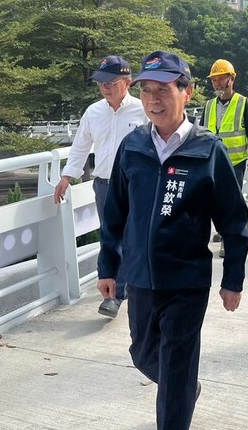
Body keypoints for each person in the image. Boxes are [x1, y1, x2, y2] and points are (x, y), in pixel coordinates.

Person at [97, 51, 248, 430]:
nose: (153, 99)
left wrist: (233, 279)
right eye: (147, 90)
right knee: (143, 354)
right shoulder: (133, 147)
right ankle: (183, 387)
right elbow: (114, 214)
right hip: (140, 278)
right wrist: (108, 267)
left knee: (176, 363)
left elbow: (233, 220)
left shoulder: (207, 150)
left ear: (187, 92)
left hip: (186, 281)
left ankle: (178, 398)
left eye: (163, 89)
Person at [53, 55, 146, 318]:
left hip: (135, 185)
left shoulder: (142, 110)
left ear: (127, 82)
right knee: (110, 237)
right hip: (104, 185)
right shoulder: (93, 112)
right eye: (101, 82)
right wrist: (66, 177)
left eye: (111, 82)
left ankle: (116, 295)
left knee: (132, 237)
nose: (105, 87)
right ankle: (117, 288)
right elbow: (81, 146)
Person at [202, 59, 248, 256]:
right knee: (212, 201)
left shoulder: (244, 103)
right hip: (210, 162)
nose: (216, 84)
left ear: (231, 79)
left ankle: (228, 239)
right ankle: (222, 231)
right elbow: (200, 134)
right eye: (214, 80)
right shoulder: (208, 106)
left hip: (235, 162)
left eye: (220, 79)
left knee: (230, 203)